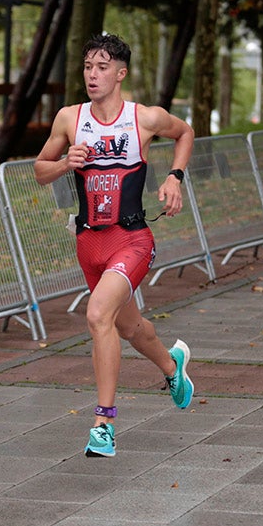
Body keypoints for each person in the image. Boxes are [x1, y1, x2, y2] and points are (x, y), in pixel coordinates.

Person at [34, 33, 196, 458]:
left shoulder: (144, 118)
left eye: (102, 67)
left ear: (120, 74)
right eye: (88, 66)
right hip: (88, 243)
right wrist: (63, 163)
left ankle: (103, 423)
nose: (93, 74)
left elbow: (185, 133)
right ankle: (171, 366)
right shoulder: (70, 118)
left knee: (97, 315)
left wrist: (175, 177)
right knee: (128, 328)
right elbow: (38, 170)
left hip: (132, 239)